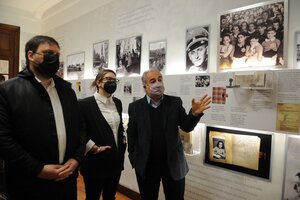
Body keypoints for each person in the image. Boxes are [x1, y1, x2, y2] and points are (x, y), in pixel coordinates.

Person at [0, 35, 85, 200]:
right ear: (30, 55)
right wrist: (38, 170)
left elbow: (81, 128)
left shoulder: (67, 91)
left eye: (57, 55)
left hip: (66, 181)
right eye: (48, 53)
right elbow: (3, 138)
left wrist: (76, 159)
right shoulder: (8, 90)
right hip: (27, 183)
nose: (54, 59)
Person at [127, 69, 211, 200]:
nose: (158, 83)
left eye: (160, 79)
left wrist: (194, 114)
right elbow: (131, 135)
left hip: (173, 164)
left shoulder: (175, 102)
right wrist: (134, 159)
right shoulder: (135, 107)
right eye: (153, 81)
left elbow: (186, 126)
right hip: (147, 165)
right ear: (145, 87)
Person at [79, 69, 127, 200]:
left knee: (110, 196)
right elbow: (79, 131)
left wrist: (123, 140)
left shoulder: (117, 103)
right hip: (95, 162)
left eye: (115, 80)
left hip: (115, 161)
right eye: (108, 79)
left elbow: (119, 126)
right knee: (92, 196)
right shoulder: (84, 104)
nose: (112, 83)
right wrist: (93, 148)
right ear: (99, 83)